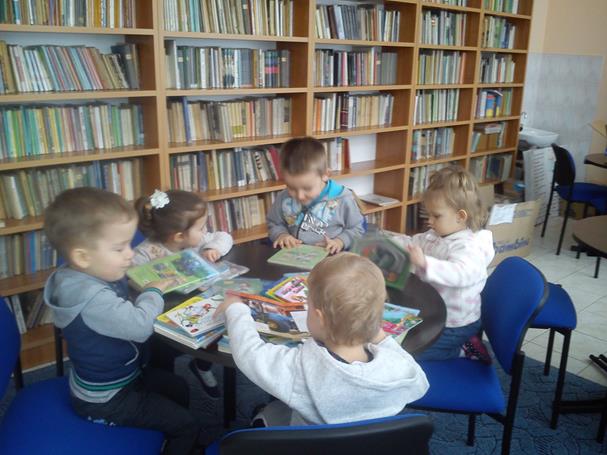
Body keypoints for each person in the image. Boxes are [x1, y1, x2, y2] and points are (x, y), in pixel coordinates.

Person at [43, 187, 201, 455]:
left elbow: (118, 296)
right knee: (188, 426)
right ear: (82, 256)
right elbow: (140, 327)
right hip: (106, 399)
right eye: (119, 248)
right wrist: (153, 291)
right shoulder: (91, 298)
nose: (130, 254)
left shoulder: (83, 273)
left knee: (178, 387)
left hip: (122, 376)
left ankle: (162, 438)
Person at [214, 253, 429, 426]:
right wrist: (373, 329)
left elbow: (249, 353)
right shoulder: (399, 368)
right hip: (370, 446)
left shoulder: (300, 370)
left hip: (307, 447)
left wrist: (236, 309)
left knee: (269, 414)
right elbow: (420, 382)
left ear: (320, 318)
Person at [133, 189, 233, 399]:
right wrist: (150, 282)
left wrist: (212, 248)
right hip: (163, 316)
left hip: (198, 306)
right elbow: (134, 281)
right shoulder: (145, 253)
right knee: (162, 352)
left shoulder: (197, 241)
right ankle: (164, 388)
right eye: (201, 228)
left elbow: (223, 236)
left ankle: (201, 365)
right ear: (179, 236)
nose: (205, 232)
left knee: (218, 328)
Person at [396, 166, 495, 363]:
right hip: (432, 312)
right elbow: (414, 242)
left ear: (461, 216)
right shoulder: (436, 234)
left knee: (412, 355)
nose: (430, 221)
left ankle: (464, 349)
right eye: (428, 215)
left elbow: (461, 273)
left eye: (436, 216)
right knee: (397, 341)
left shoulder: (470, 246)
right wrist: (392, 241)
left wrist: (425, 263)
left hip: (455, 324)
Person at [267, 136, 364, 254]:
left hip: (331, 257)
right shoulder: (283, 197)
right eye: (291, 187)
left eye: (307, 188)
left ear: (325, 175)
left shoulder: (343, 198)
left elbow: (357, 229)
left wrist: (340, 242)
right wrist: (281, 235)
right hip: (294, 255)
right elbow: (274, 223)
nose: (300, 196)